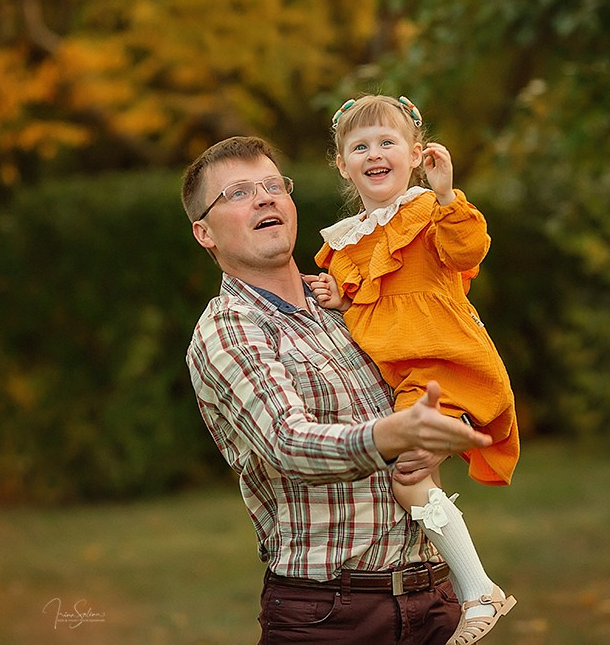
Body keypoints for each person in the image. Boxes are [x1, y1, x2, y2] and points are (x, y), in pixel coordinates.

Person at [183, 135, 492, 645]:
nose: (263, 198)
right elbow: (289, 442)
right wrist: (391, 435)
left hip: (435, 600)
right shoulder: (229, 329)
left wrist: (448, 421)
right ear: (204, 233)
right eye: (237, 193)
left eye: (272, 186)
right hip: (330, 616)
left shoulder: (352, 298)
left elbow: (436, 358)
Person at [306, 95, 520, 645]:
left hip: (449, 364)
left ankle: (478, 592)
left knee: (409, 476)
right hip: (407, 382)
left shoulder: (429, 212)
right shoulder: (346, 241)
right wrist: (338, 298)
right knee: (416, 480)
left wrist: (447, 193)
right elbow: (370, 314)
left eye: (387, 142)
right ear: (342, 164)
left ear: (415, 153)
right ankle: (458, 594)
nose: (374, 153)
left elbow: (468, 249)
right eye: (360, 146)